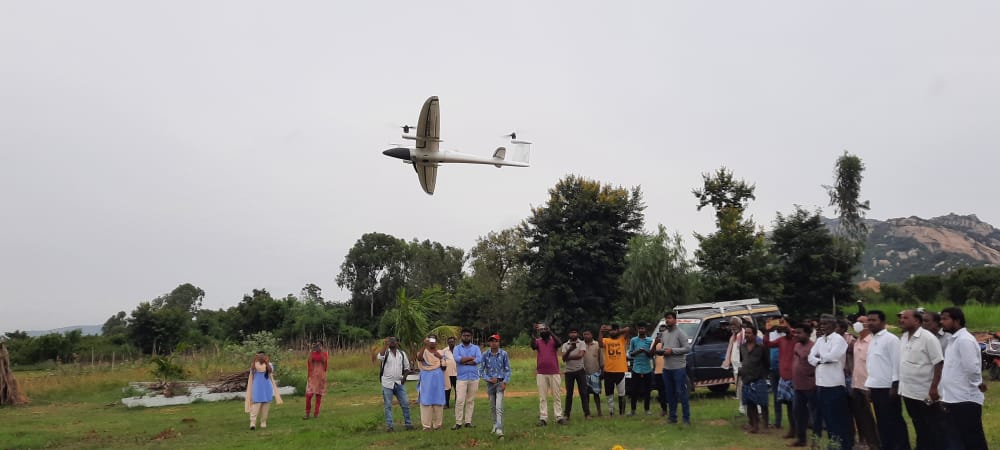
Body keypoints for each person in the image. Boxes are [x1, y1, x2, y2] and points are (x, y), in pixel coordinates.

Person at [939, 307, 988, 450]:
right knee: (956, 438)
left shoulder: (964, 340)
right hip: (953, 397)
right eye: (941, 318)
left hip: (965, 399)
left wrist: (978, 383)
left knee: (972, 439)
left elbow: (972, 367)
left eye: (945, 319)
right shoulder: (953, 340)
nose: (942, 322)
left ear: (957, 321)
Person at [897, 309, 944, 450]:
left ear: (917, 321)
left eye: (905, 318)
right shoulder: (904, 337)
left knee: (930, 425)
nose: (901, 320)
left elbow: (939, 363)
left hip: (925, 392)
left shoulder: (928, 338)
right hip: (908, 391)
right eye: (901, 318)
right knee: (918, 424)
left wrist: (934, 387)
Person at [866, 310, 910, 450]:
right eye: (869, 320)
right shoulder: (873, 339)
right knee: (882, 421)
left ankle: (902, 447)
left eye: (874, 320)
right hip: (876, 386)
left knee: (894, 420)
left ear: (883, 322)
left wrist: (895, 386)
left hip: (888, 388)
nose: (870, 323)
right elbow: (872, 365)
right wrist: (869, 386)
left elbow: (897, 363)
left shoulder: (891, 339)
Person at [807, 314, 852, 450]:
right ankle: (831, 444)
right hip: (821, 384)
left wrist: (819, 359)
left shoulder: (839, 340)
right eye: (821, 324)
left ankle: (841, 445)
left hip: (834, 385)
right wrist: (820, 359)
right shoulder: (820, 340)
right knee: (824, 417)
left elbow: (833, 357)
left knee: (836, 418)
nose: (822, 326)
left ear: (834, 326)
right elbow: (810, 357)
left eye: (826, 324)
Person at [652, 311, 692, 425]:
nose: (667, 320)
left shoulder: (680, 333)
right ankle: (672, 417)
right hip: (667, 368)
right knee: (669, 394)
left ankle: (686, 418)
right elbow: (665, 347)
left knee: (681, 393)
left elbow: (687, 348)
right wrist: (661, 352)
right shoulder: (664, 334)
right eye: (666, 319)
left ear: (675, 320)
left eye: (669, 318)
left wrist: (673, 351)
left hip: (678, 368)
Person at [849, 319, 880, 450]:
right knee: (861, 417)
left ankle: (876, 443)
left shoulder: (872, 342)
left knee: (872, 417)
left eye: (861, 321)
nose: (857, 324)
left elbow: (875, 365)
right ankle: (866, 441)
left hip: (869, 385)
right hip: (857, 384)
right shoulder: (857, 342)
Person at [789, 323, 820, 447]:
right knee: (798, 413)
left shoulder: (814, 347)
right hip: (798, 386)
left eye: (800, 333)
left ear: (807, 333)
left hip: (811, 386)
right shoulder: (796, 345)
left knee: (815, 414)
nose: (796, 335)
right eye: (795, 332)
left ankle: (815, 440)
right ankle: (801, 439)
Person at [764, 320, 796, 438]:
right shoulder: (779, 339)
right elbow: (767, 344)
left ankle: (797, 427)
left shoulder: (793, 338)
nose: (779, 327)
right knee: (784, 400)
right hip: (780, 372)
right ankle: (785, 425)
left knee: (794, 403)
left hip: (792, 375)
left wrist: (787, 328)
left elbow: (795, 334)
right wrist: (767, 332)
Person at [739, 322, 770, 433]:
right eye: (745, 333)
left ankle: (766, 425)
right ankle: (754, 425)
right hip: (746, 379)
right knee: (750, 404)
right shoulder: (742, 347)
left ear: (755, 335)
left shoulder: (761, 347)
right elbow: (742, 360)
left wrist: (764, 375)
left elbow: (767, 363)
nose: (747, 335)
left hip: (759, 378)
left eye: (749, 333)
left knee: (763, 403)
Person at [531, 322, 565, 425]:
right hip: (541, 373)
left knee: (556, 395)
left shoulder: (553, 341)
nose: (543, 332)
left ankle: (559, 417)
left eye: (545, 330)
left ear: (548, 330)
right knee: (542, 397)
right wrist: (533, 332)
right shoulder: (538, 341)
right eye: (541, 330)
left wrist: (551, 333)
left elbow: (559, 343)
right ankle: (543, 418)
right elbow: (532, 346)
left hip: (554, 372)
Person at [378, 336, 413, 432]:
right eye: (391, 341)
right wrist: (386, 344)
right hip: (387, 383)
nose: (393, 342)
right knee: (388, 405)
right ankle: (390, 426)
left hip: (399, 382)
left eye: (394, 341)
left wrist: (404, 378)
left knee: (405, 403)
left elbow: (407, 368)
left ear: (398, 343)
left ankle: (408, 424)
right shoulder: (385, 352)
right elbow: (380, 356)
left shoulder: (402, 354)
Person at [480, 333, 511, 438]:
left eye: (496, 341)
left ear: (499, 342)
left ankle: (499, 428)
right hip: (490, 384)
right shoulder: (485, 355)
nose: (494, 343)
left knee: (499, 406)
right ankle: (494, 424)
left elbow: (508, 370)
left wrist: (505, 382)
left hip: (500, 382)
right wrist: (488, 379)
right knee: (492, 406)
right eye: (492, 341)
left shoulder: (504, 354)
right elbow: (480, 371)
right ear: (489, 342)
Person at [451, 328, 482, 430]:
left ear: (471, 337)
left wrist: (466, 360)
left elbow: (479, 359)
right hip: (461, 378)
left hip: (474, 377)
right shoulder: (457, 348)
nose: (466, 337)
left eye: (468, 335)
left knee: (470, 400)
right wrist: (471, 358)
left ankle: (468, 422)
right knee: (460, 400)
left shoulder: (476, 348)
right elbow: (458, 359)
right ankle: (458, 422)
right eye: (464, 335)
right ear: (461, 337)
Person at [417, 334, 447, 431]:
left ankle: (438, 425)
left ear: (436, 342)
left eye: (433, 340)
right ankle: (426, 426)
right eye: (430, 340)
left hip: (438, 380)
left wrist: (440, 357)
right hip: (426, 379)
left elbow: (444, 367)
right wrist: (424, 345)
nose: (432, 342)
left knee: (438, 402)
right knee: (426, 402)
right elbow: (419, 358)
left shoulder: (440, 352)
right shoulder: (423, 351)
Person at [245, 353, 283, 430]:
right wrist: (254, 360)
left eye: (262, 356)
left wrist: (266, 362)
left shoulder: (269, 365)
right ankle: (252, 423)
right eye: (259, 356)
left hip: (266, 388)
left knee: (266, 405)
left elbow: (270, 370)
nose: (261, 357)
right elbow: (254, 370)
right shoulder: (254, 365)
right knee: (256, 405)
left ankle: (263, 422)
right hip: (257, 388)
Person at [599, 323, 630, 417]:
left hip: (620, 370)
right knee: (609, 393)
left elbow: (628, 329)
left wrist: (615, 330)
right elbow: (600, 343)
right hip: (608, 371)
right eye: (611, 331)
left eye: (614, 330)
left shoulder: (622, 339)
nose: (612, 332)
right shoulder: (606, 340)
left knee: (622, 393)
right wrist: (601, 332)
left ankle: (622, 413)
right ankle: (611, 412)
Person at [561, 328, 590, 420]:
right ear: (569, 334)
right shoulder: (565, 345)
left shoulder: (582, 343)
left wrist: (568, 356)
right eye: (571, 332)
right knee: (569, 394)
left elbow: (580, 355)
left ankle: (587, 414)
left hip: (580, 371)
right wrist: (570, 350)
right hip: (569, 372)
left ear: (577, 334)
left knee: (583, 393)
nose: (573, 334)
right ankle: (566, 414)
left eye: (575, 332)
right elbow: (564, 358)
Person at [626, 322, 654, 416]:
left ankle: (647, 409)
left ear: (645, 329)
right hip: (636, 368)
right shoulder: (634, 340)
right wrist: (638, 351)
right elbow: (630, 354)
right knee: (634, 390)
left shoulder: (650, 340)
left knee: (647, 390)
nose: (641, 330)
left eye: (643, 328)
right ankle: (633, 410)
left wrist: (645, 351)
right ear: (637, 329)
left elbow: (651, 355)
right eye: (639, 328)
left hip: (647, 368)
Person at [722, 316, 748, 414]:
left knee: (745, 388)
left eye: (735, 324)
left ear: (740, 325)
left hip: (744, 367)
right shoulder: (733, 337)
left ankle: (750, 408)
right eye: (731, 325)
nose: (733, 327)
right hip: (736, 368)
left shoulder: (744, 335)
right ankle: (742, 407)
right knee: (739, 388)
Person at [582, 329, 605, 416]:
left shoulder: (597, 345)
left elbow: (601, 359)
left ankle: (599, 412)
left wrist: (602, 370)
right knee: (586, 394)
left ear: (591, 335)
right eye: (584, 334)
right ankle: (587, 413)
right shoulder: (581, 345)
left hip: (595, 373)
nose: (586, 336)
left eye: (588, 334)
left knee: (596, 394)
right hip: (584, 374)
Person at [304, 342, 328, 419]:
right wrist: (312, 350)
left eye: (319, 346)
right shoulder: (312, 354)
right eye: (316, 346)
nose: (317, 347)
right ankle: (307, 413)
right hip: (312, 376)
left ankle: (316, 414)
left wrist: (320, 352)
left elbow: (324, 362)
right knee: (309, 395)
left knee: (318, 396)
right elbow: (309, 361)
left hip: (321, 377)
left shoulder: (324, 354)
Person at [651, 324, 669, 417]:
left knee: (670, 390)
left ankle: (671, 408)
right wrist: (655, 343)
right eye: (660, 331)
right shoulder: (656, 342)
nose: (662, 332)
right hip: (658, 371)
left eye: (664, 330)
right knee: (661, 391)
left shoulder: (670, 341)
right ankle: (664, 409)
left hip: (669, 369)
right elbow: (651, 353)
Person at [442, 336, 457, 409]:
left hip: (458, 373)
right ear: (447, 343)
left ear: (455, 342)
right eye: (450, 342)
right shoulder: (444, 351)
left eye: (452, 341)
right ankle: (446, 404)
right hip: (447, 373)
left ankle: (457, 404)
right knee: (447, 389)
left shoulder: (459, 350)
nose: (451, 343)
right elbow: (442, 360)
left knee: (458, 389)